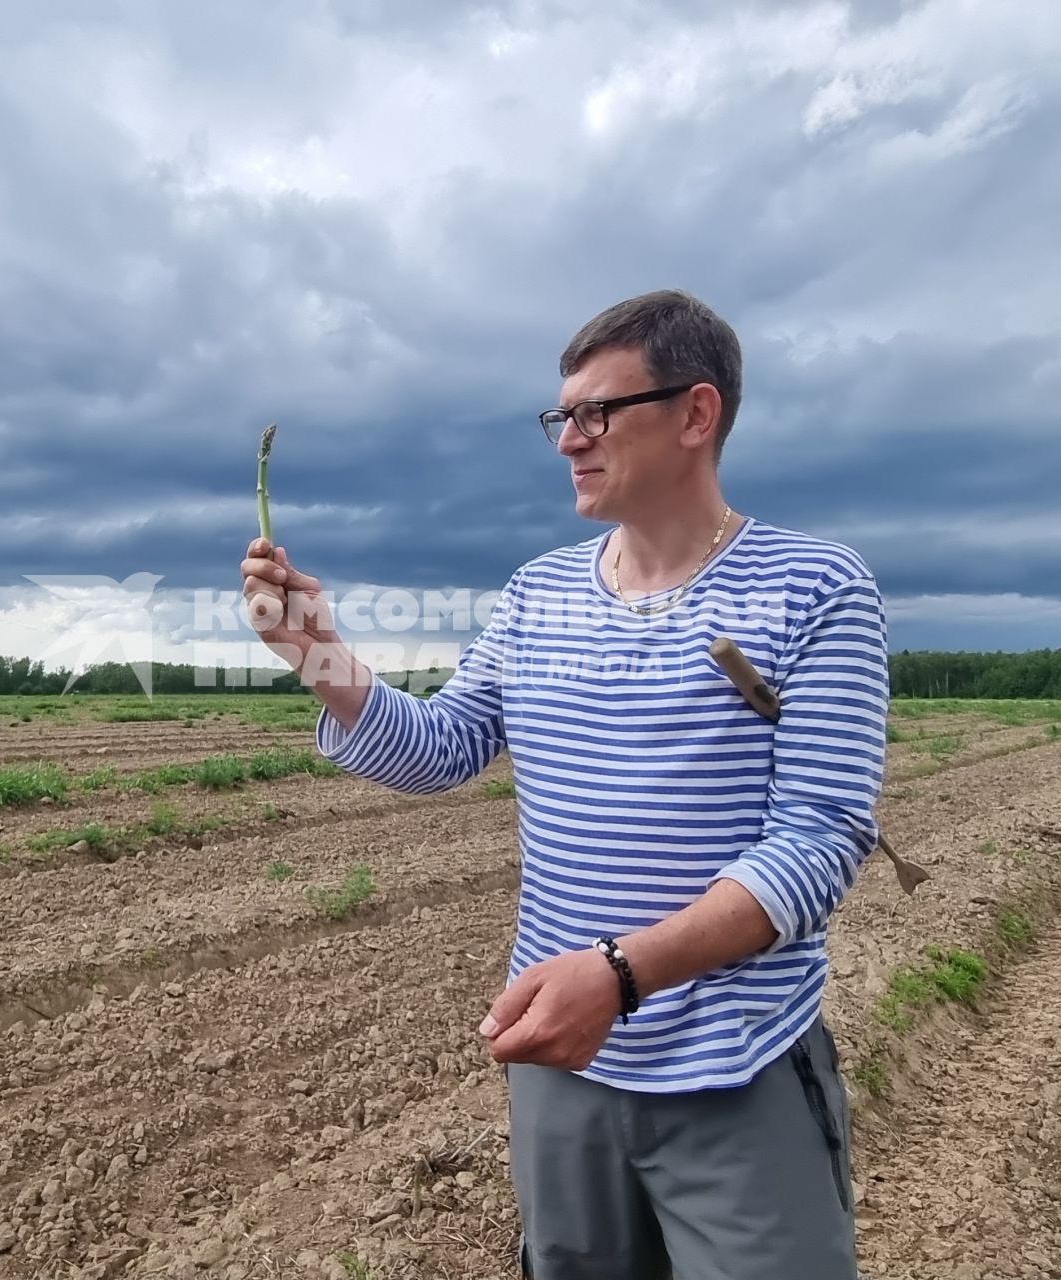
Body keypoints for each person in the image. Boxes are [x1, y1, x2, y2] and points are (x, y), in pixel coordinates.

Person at [239, 289, 888, 1279]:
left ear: (694, 414)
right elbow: (443, 745)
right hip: (564, 1070)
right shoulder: (536, 593)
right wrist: (317, 655)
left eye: (594, 412)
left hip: (736, 1068)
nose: (566, 439)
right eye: (560, 415)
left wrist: (620, 975)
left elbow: (817, 841)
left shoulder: (815, 587)